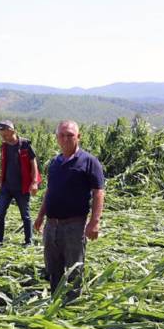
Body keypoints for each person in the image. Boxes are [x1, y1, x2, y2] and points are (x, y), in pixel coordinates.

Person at [33, 120, 104, 301]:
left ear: (78, 137)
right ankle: (56, 301)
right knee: (53, 267)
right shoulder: (55, 163)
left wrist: (94, 222)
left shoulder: (89, 162)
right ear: (57, 138)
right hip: (52, 225)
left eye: (70, 135)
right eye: (62, 135)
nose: (66, 139)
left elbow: (98, 192)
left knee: (74, 269)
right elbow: (50, 191)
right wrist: (40, 216)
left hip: (74, 225)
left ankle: (72, 305)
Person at [0, 120, 41, 247]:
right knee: (0, 214)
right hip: (6, 187)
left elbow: (33, 163)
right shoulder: (4, 146)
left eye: (5, 134)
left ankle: (28, 241)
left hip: (22, 187)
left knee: (25, 215)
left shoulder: (25, 145)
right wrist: (0, 177)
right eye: (1, 135)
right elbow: (3, 161)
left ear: (13, 131)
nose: (3, 137)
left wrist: (34, 182)